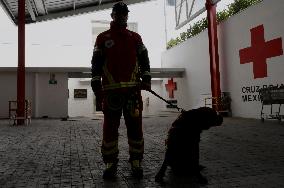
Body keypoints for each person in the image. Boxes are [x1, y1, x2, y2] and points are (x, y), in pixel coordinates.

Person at [91, 1, 151, 179]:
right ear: (112, 15)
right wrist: (96, 86)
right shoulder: (102, 38)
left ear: (127, 15)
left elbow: (144, 58)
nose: (122, 16)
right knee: (110, 129)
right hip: (111, 94)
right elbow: (96, 63)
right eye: (118, 13)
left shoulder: (135, 37)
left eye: (125, 13)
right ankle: (110, 165)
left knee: (135, 129)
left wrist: (146, 78)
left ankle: (136, 163)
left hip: (133, 92)